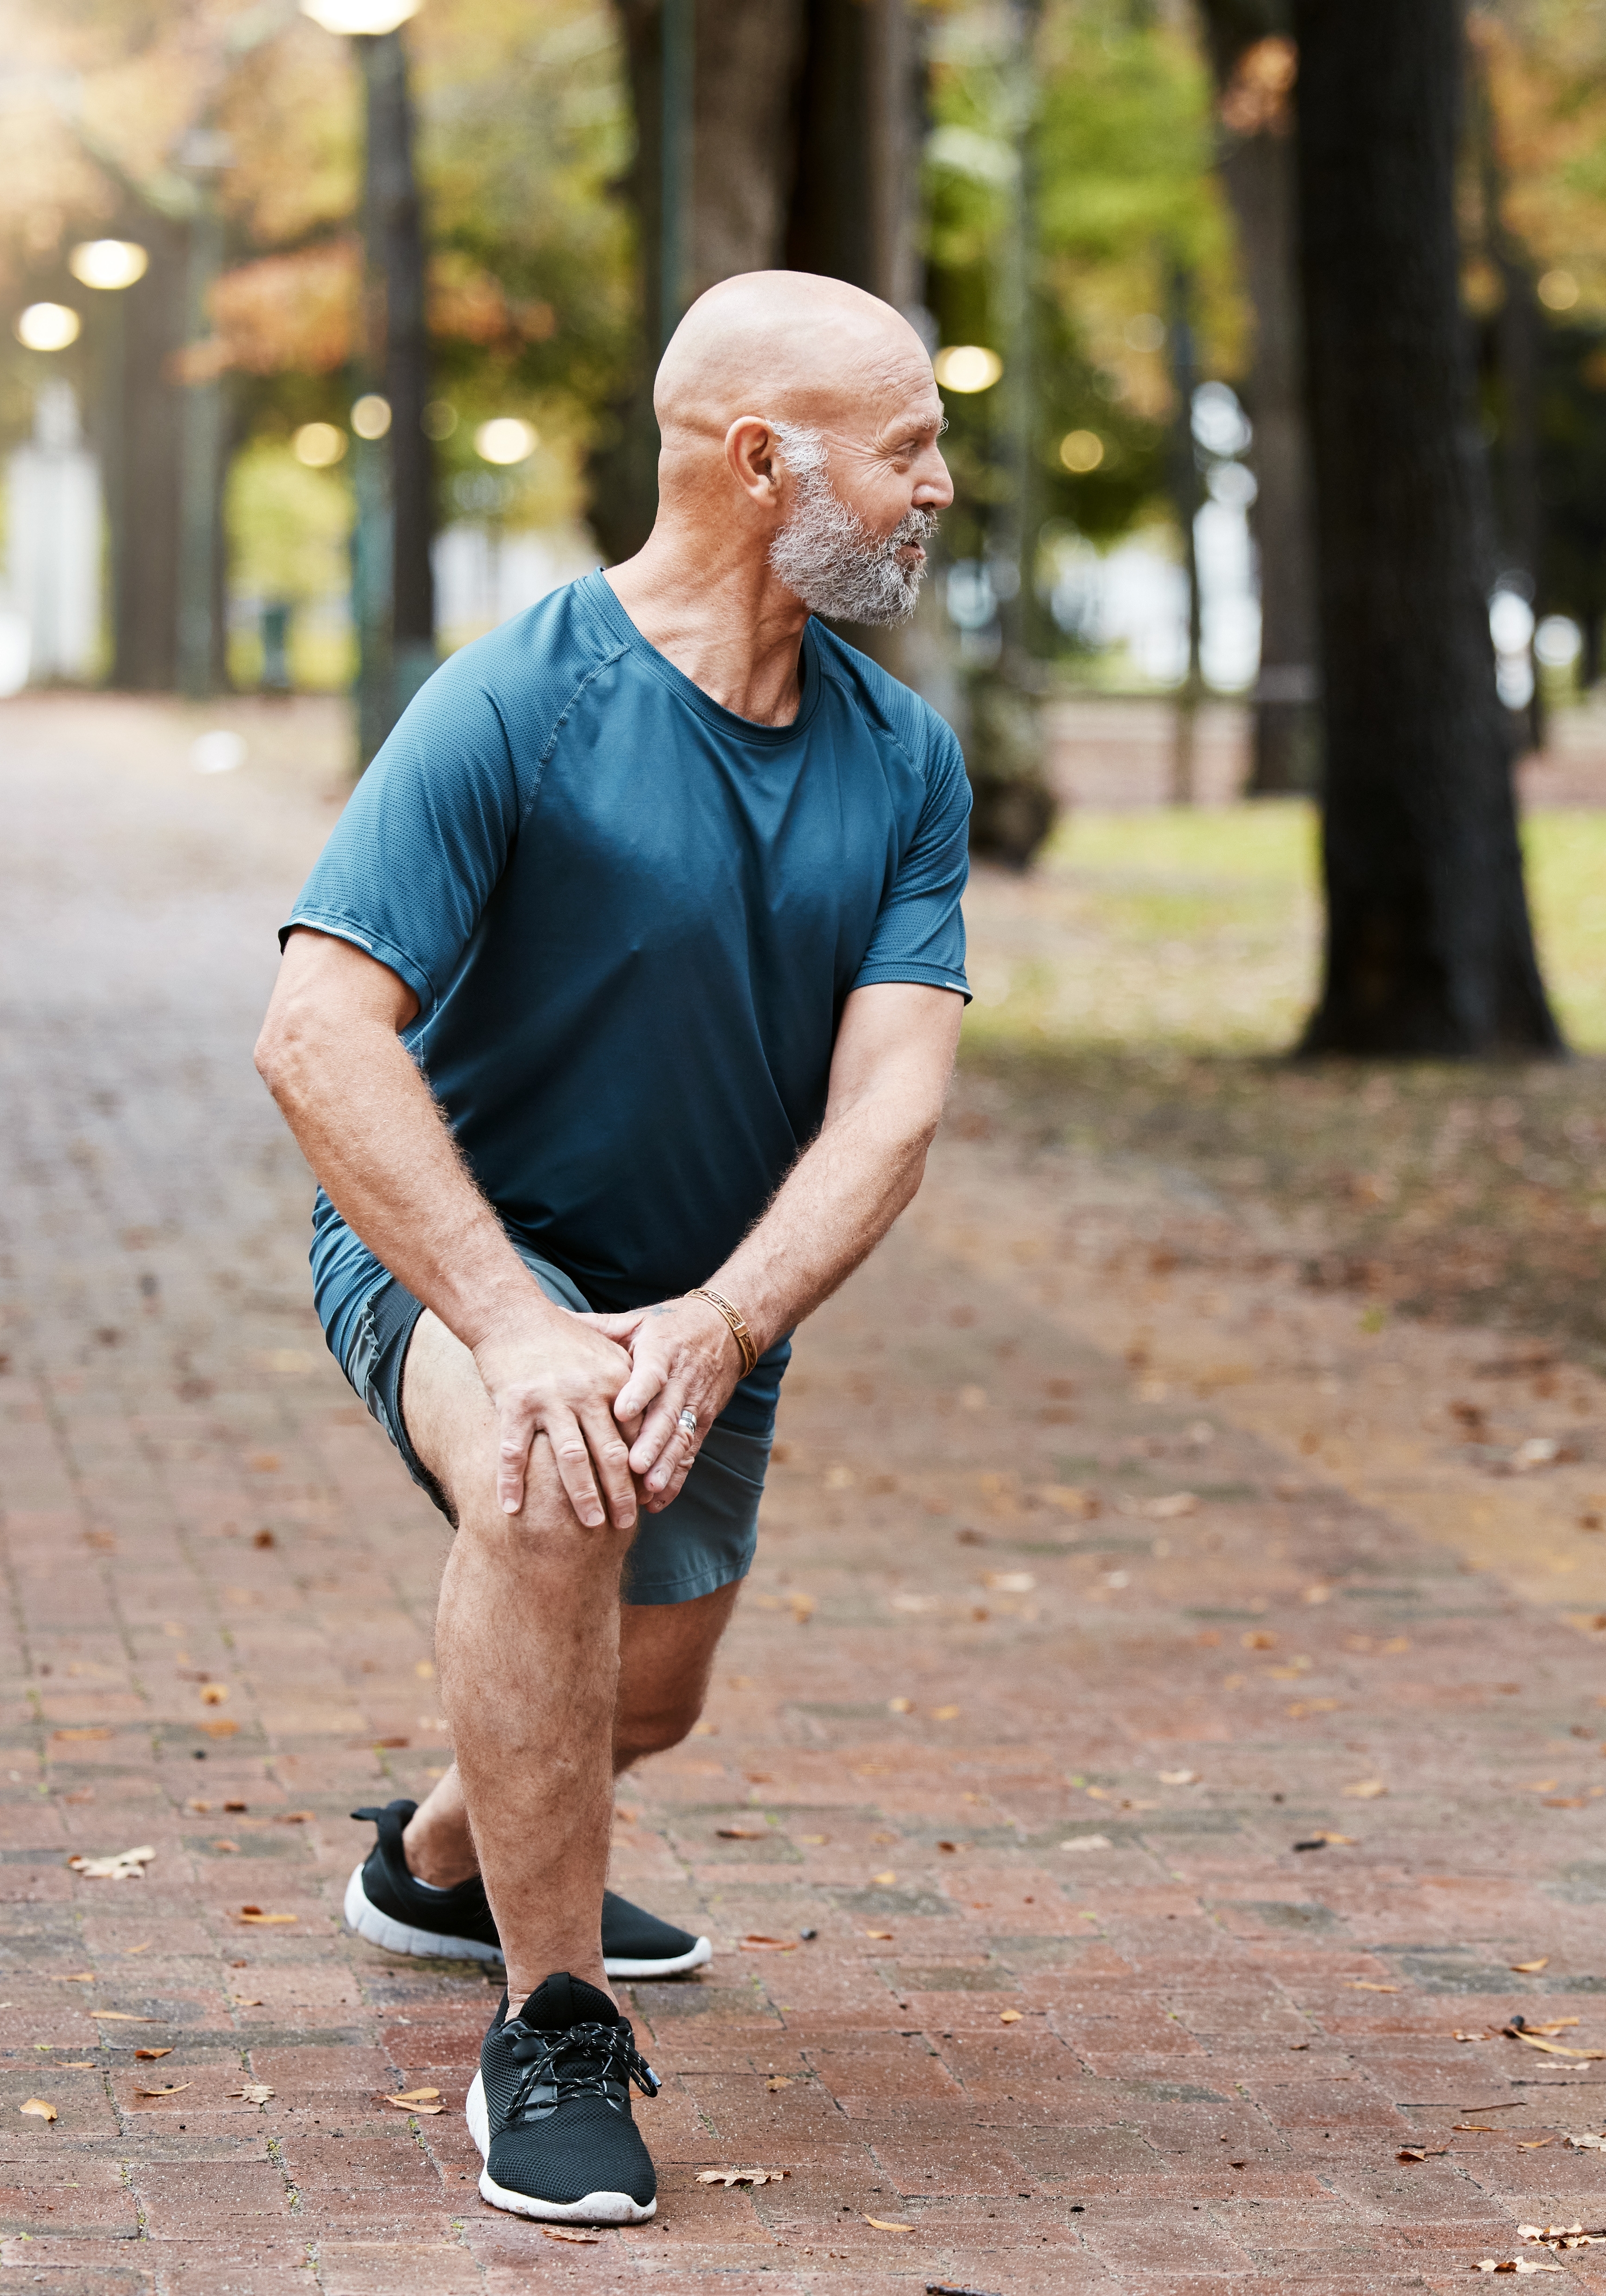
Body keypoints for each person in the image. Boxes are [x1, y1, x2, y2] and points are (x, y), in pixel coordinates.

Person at [252, 270, 970, 2224]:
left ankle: (437, 1861)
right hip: (464, 1252)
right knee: (548, 1483)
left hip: (707, 1297)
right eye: (905, 445)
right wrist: (514, 1323)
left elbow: (893, 1100)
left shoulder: (901, 758)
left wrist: (726, 1322)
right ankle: (550, 2030)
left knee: (637, 1702)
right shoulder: (519, 695)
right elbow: (316, 1032)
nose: (936, 485)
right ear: (764, 460)